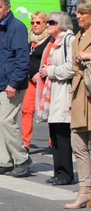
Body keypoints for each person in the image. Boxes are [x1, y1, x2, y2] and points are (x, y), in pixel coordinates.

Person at [0, 0, 32, 177]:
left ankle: (22, 158)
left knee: (7, 121)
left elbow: (22, 60)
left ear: (8, 7)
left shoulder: (16, 27)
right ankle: (4, 161)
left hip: (12, 84)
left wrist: (13, 83)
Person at [36, 12, 75, 185]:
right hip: (52, 91)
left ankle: (66, 174)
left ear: (61, 24)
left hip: (63, 91)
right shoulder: (52, 42)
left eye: (51, 22)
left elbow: (72, 67)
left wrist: (50, 71)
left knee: (63, 134)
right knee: (54, 134)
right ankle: (58, 171)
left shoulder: (69, 40)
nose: (48, 25)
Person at [66, 0, 91, 208]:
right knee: (78, 145)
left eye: (83, 13)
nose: (78, 16)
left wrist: (89, 56)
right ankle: (85, 191)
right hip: (79, 94)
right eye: (77, 12)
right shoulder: (77, 37)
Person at [21, 12, 51, 153]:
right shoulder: (30, 40)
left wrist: (41, 73)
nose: (35, 25)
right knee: (27, 110)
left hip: (45, 81)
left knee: (49, 112)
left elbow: (52, 60)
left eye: (38, 22)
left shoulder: (50, 40)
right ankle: (25, 143)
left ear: (45, 24)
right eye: (33, 22)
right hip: (30, 82)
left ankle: (53, 142)